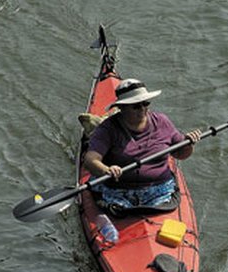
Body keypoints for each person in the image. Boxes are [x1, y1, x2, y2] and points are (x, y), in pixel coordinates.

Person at [83, 78, 202, 210]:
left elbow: (181, 154)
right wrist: (106, 170)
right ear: (121, 108)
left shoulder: (162, 121)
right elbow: (90, 160)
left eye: (145, 103)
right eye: (136, 106)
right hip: (118, 191)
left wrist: (189, 144)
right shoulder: (108, 129)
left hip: (160, 190)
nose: (142, 109)